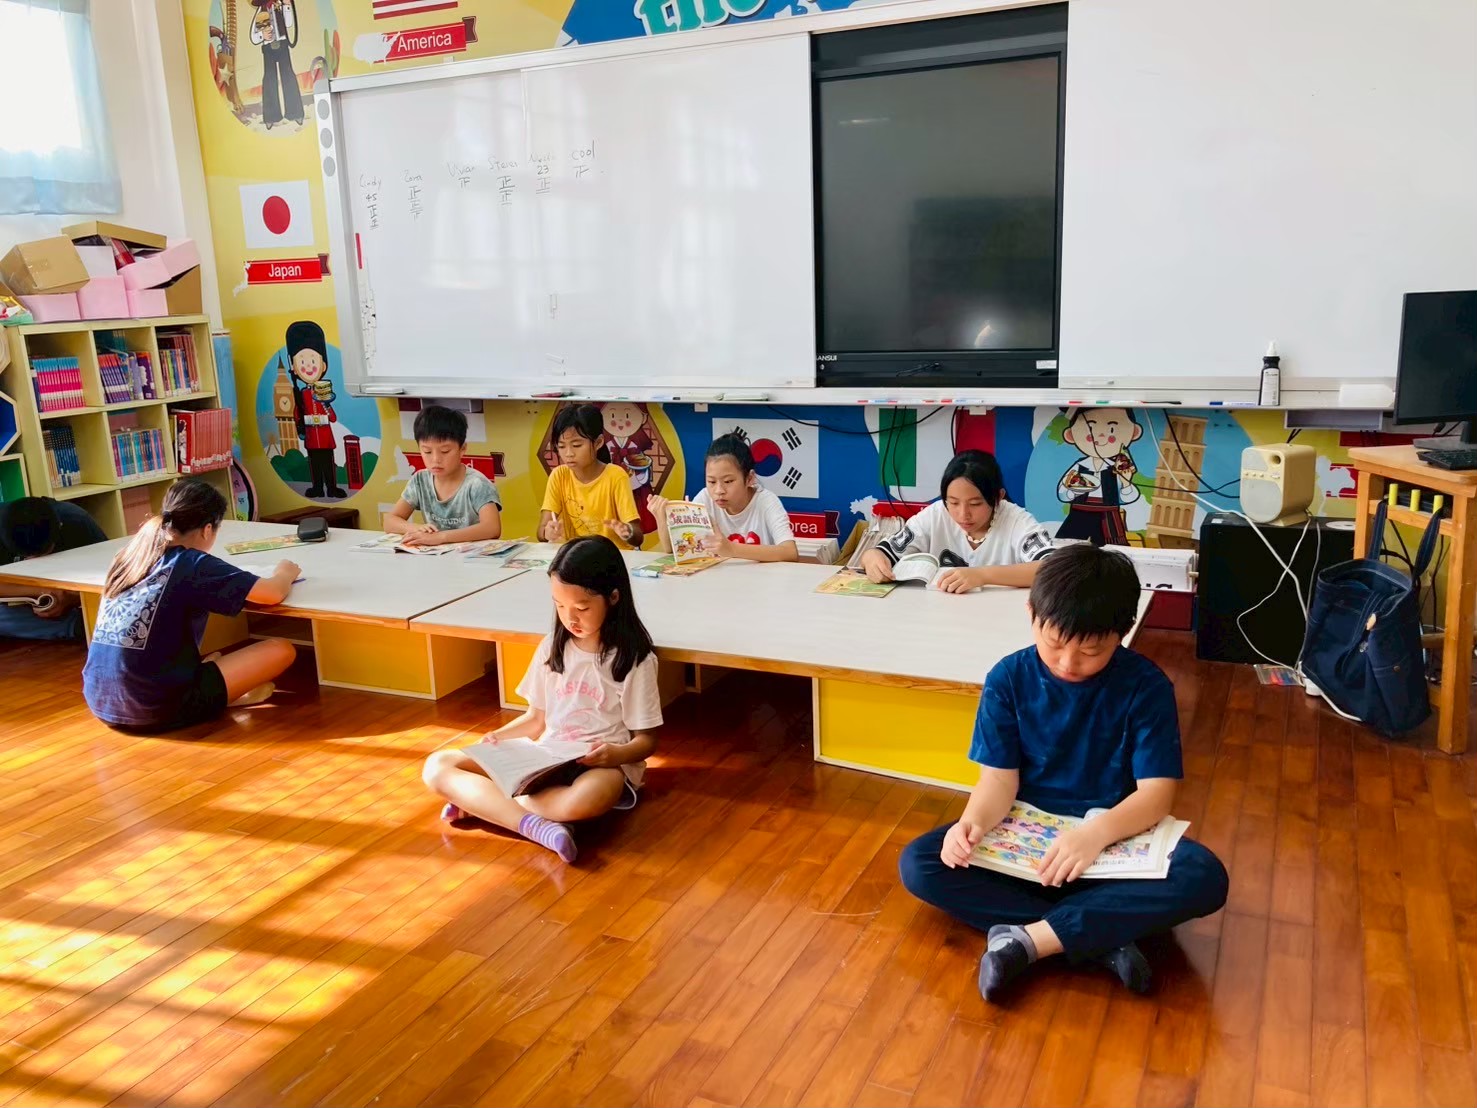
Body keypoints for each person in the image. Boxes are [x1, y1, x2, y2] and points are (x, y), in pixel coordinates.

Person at [898, 544, 1228, 999]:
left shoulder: (1146, 686)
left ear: (1122, 631)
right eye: (1054, 644)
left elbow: (1155, 796)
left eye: (1091, 651)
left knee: (1203, 875)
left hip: (1110, 840)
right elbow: (998, 780)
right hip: (1026, 842)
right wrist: (971, 823)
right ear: (1031, 614)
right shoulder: (1008, 678)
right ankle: (1100, 935)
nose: (1068, 663)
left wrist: (1093, 836)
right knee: (921, 863)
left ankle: (1029, 939)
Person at [422, 535, 661, 863]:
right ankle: (536, 826)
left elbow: (647, 741)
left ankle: (486, 805)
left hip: (600, 765)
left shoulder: (634, 659)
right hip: (545, 758)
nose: (570, 618)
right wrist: (499, 737)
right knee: (437, 766)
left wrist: (614, 754)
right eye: (559, 606)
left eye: (581, 608)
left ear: (613, 597)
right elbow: (536, 719)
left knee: (587, 799)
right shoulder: (552, 647)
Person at [82, 479, 299, 732]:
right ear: (207, 529)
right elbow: (272, 593)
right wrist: (285, 572)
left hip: (101, 701)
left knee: (211, 656)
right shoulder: (193, 562)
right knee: (281, 649)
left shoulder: (128, 556)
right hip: (155, 707)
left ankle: (217, 693)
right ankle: (226, 699)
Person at [860, 450, 1053, 591]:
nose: (963, 514)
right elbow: (884, 552)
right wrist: (872, 557)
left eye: (975, 504)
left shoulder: (1017, 520)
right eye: (953, 502)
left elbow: (1052, 569)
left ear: (998, 497)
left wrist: (982, 575)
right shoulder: (935, 514)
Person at [648, 433, 798, 563]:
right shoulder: (705, 498)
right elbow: (673, 550)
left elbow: (790, 552)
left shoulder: (766, 501)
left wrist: (731, 549)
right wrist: (661, 518)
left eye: (728, 481)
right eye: (711, 482)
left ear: (750, 478)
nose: (719, 491)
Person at [383, 404, 503, 546]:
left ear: (462, 449)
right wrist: (416, 529)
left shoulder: (477, 484)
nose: (436, 459)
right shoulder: (420, 480)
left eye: (445, 451)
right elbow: (389, 521)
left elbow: (492, 528)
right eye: (427, 451)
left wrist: (441, 537)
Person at [0, 497, 107, 642]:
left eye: (43, 554)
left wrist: (71, 598)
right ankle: (77, 625)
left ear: (60, 526)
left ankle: (83, 622)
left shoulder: (76, 519)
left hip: (70, 596)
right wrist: (40, 591)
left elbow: (112, 580)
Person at [539, 404, 643, 549]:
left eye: (576, 445)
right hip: (576, 556)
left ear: (598, 442)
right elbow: (541, 530)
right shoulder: (559, 476)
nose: (568, 453)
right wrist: (547, 532)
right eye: (561, 446)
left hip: (613, 556)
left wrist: (627, 532)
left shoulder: (616, 476)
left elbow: (637, 536)